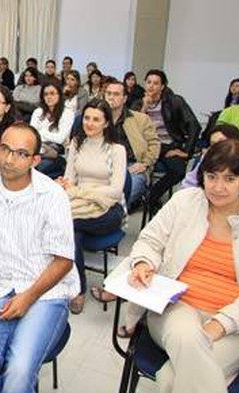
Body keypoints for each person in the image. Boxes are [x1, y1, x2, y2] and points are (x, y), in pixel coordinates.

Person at [122, 139, 239, 393]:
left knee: (172, 378)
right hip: (177, 307)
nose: (217, 187)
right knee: (188, 337)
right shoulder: (184, 202)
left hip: (237, 323)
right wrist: (143, 263)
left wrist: (221, 323)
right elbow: (150, 241)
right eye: (211, 176)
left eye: (229, 179)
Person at [0, 122, 78, 393]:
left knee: (19, 371)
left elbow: (63, 262)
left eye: (21, 154)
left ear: (35, 160)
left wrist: (28, 297)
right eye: (5, 149)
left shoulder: (52, 195)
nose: (9, 159)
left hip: (46, 290)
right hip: (0, 283)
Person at [56, 99, 126, 314]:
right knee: (72, 230)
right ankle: (77, 288)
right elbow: (69, 180)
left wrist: (78, 192)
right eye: (87, 118)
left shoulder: (117, 149)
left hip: (110, 210)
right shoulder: (77, 144)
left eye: (96, 119)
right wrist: (71, 189)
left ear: (106, 123)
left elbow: (115, 191)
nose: (90, 123)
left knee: (67, 224)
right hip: (79, 206)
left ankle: (73, 287)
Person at [131, 69, 201, 211]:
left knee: (179, 170)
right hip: (147, 146)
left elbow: (194, 125)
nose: (151, 86)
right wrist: (145, 106)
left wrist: (186, 152)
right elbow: (134, 129)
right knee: (132, 169)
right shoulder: (138, 103)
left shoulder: (174, 101)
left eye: (156, 83)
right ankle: (139, 198)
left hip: (168, 145)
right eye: (149, 82)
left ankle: (150, 197)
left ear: (162, 86)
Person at [104, 80, 160, 206]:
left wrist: (145, 164)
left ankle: (112, 215)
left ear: (124, 99)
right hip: (104, 165)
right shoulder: (98, 119)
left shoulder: (140, 119)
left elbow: (154, 143)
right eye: (108, 93)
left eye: (116, 94)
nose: (111, 97)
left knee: (125, 194)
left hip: (132, 167)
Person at [181, 124, 239, 194]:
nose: (217, 147)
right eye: (213, 144)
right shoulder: (207, 158)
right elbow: (189, 184)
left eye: (221, 142)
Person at [30, 82, 74, 179]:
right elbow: (31, 135)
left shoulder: (67, 113)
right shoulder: (38, 112)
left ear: (59, 95)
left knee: (37, 169)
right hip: (37, 151)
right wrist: (43, 136)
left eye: (52, 93)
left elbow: (60, 139)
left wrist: (41, 132)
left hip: (57, 154)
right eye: (46, 94)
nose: (49, 97)